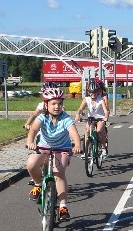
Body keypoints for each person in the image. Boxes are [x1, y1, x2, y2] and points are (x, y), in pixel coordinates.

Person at [25, 86, 82, 221]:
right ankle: (38, 185)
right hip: (44, 147)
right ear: (46, 105)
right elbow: (33, 130)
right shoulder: (42, 117)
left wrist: (77, 145)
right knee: (31, 164)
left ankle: (63, 206)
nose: (57, 106)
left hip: (62, 149)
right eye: (53, 104)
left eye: (60, 103)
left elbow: (74, 134)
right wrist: (30, 142)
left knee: (58, 172)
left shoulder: (65, 118)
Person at [75, 77, 110, 158]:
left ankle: (103, 148)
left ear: (97, 92)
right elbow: (80, 109)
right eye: (91, 92)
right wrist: (78, 114)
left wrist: (106, 116)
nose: (93, 94)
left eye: (95, 92)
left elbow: (105, 110)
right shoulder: (86, 99)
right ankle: (86, 152)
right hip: (90, 118)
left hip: (100, 118)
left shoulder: (100, 99)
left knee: (99, 131)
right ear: (88, 92)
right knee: (87, 131)